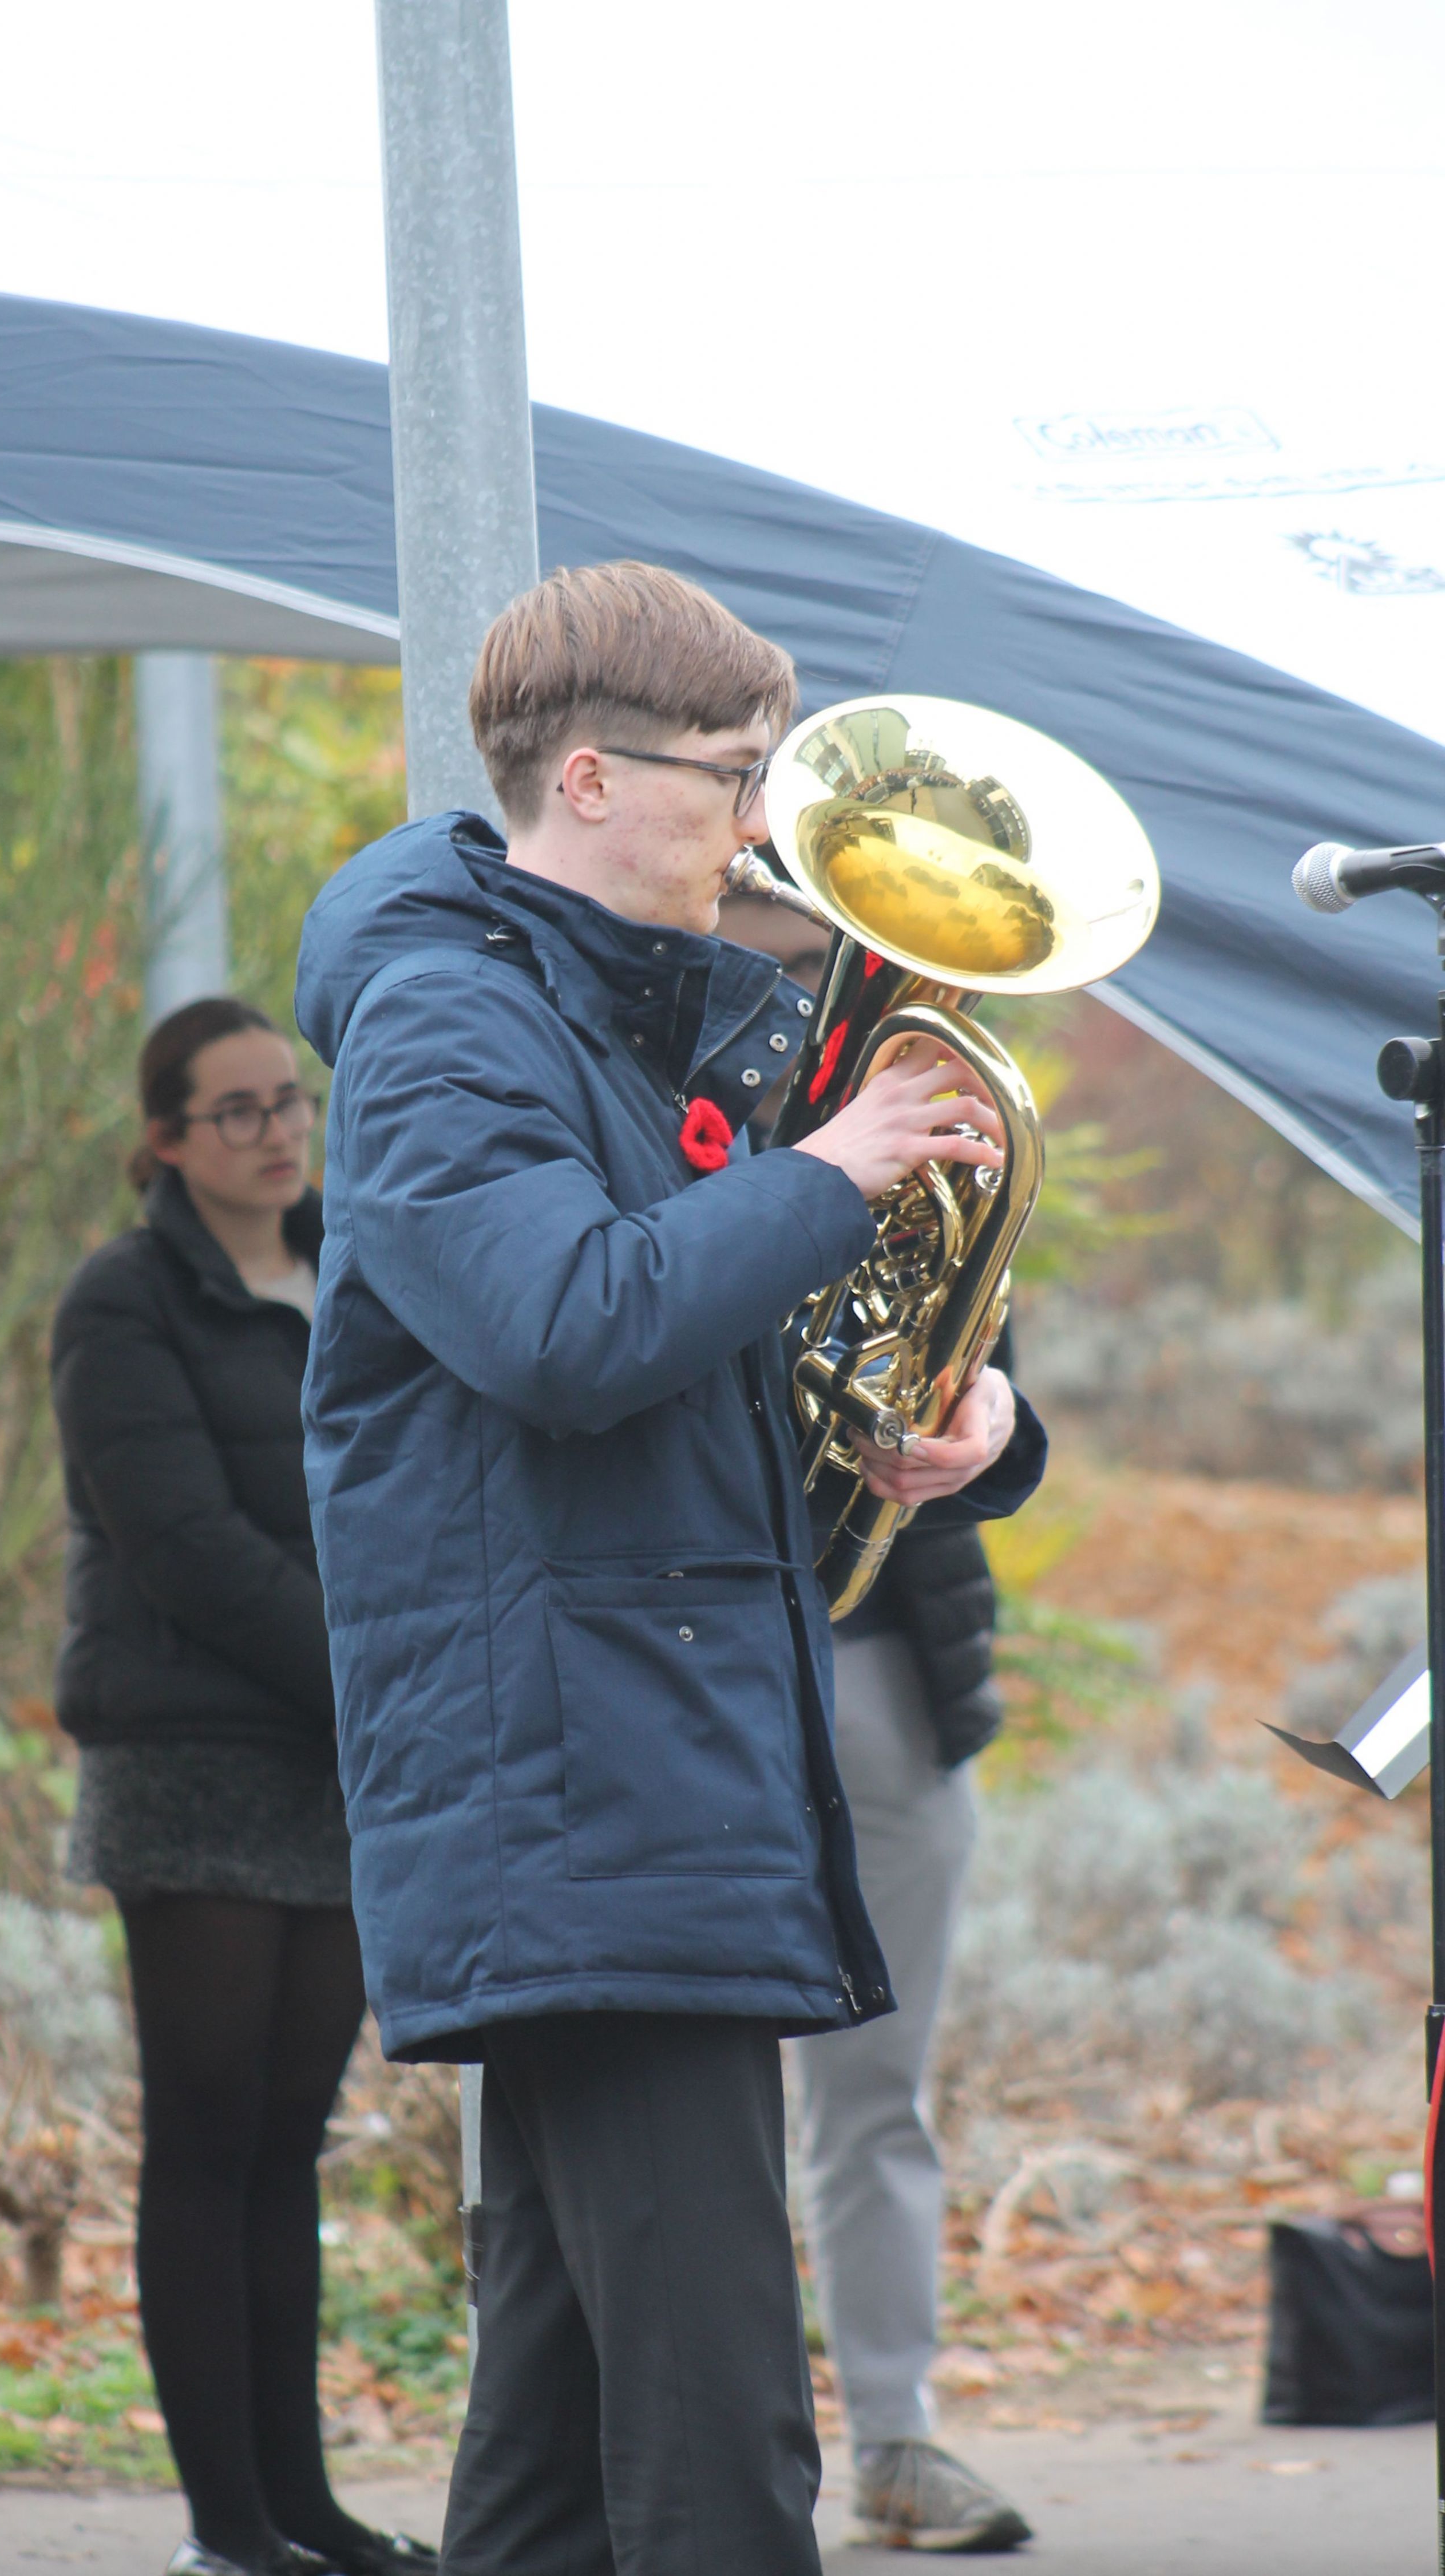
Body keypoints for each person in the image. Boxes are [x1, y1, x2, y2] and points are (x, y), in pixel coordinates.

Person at [295, 559, 1047, 2576]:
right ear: (599, 778)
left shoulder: (673, 1020)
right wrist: (833, 1171)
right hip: (586, 1798)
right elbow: (567, 1326)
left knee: (550, 2457)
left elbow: (782, 1332)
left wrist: (971, 1424)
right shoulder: (446, 1026)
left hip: (651, 1781)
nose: (765, 829)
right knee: (719, 2447)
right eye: (736, 779)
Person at [50, 997, 436, 2576]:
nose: (279, 1129)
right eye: (236, 1110)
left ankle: (306, 2508)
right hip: (198, 1759)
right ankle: (228, 2527)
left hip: (342, 1760)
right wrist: (378, 1680)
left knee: (292, 2137)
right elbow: (189, 1550)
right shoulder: (121, 1303)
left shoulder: (363, 1270)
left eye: (292, 1100)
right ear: (165, 1141)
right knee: (206, 2134)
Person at [719, 883, 1038, 2553]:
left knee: (879, 2087)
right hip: (697, 1641)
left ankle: (900, 2437)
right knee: (692, 2093)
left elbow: (980, 1350)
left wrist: (982, 1414)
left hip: (885, 1656)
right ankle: (716, 2445)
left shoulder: (910, 1079)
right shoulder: (645, 1052)